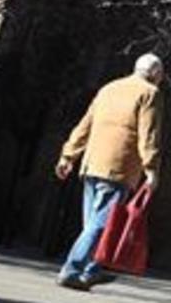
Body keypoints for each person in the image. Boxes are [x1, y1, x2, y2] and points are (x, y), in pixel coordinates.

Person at [53, 53, 165, 291]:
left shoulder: (109, 89)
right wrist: (152, 169)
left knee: (94, 224)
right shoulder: (150, 93)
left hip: (92, 164)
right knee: (101, 225)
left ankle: (90, 271)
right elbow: (149, 134)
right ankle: (72, 270)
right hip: (119, 167)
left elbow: (86, 124)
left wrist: (68, 155)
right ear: (156, 73)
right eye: (161, 74)